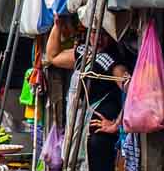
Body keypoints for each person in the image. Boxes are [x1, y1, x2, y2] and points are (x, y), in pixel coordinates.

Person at [49, 30, 130, 171]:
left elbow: (133, 90)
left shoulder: (112, 61)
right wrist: (57, 26)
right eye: (93, 32)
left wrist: (117, 124)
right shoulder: (83, 53)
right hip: (77, 129)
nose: (98, 38)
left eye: (104, 34)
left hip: (98, 141)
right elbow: (53, 56)